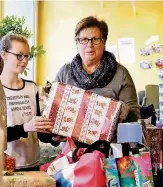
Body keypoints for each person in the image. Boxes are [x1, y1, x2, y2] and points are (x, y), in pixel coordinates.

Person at [55, 16, 140, 123]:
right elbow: (51, 107)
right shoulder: (65, 72)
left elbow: (134, 115)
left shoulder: (120, 73)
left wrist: (115, 112)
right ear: (77, 43)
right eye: (84, 39)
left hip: (110, 139)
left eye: (95, 39)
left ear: (104, 42)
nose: (89, 45)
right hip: (69, 139)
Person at [0, 34, 59, 171]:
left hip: (33, 165)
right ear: (4, 55)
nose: (24, 61)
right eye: (19, 55)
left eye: (27, 56)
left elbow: (38, 130)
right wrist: (25, 127)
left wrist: (53, 138)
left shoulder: (31, 87)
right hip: (6, 168)